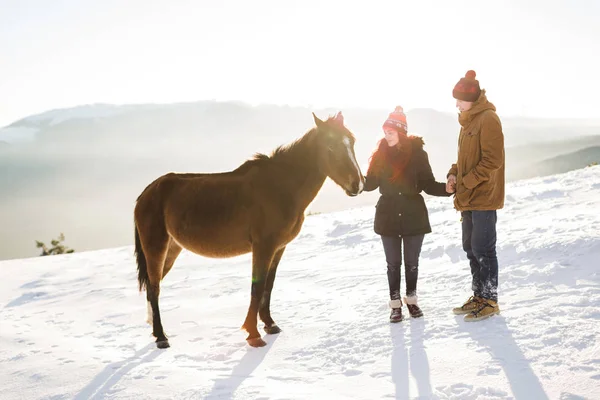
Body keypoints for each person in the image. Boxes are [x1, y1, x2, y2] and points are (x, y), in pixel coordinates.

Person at [364, 106, 452, 322]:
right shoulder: (380, 155)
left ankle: (411, 301)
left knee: (412, 262)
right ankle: (395, 305)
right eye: (385, 132)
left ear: (401, 133)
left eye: (391, 132)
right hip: (388, 215)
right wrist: (352, 181)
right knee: (393, 263)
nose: (387, 136)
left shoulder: (418, 155)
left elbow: (428, 184)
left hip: (414, 215)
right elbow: (370, 184)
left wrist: (447, 189)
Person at [446, 70, 505, 322]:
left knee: (483, 248)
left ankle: (490, 300)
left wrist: (467, 183)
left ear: (471, 98)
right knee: (470, 248)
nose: (456, 104)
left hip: (483, 197)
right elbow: (464, 160)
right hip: (468, 197)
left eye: (459, 99)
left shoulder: (488, 119)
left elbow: (493, 160)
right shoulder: (468, 121)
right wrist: (453, 174)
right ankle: (478, 296)